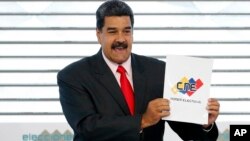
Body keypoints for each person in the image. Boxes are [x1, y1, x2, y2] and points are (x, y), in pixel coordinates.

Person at [57, 0, 220, 141]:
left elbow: (185, 129)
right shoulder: (73, 76)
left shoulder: (159, 70)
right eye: (112, 31)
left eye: (127, 31)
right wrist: (143, 120)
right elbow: (87, 128)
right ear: (99, 35)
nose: (121, 39)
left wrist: (205, 123)